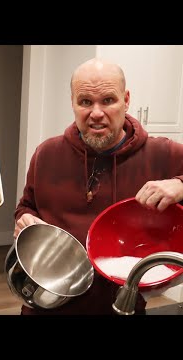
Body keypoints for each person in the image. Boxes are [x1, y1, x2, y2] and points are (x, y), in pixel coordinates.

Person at [14, 58, 183, 315]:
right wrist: (25, 218)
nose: (96, 113)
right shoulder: (46, 153)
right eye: (85, 102)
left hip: (120, 305)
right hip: (47, 301)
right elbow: (27, 206)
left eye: (108, 100)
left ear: (126, 100)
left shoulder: (162, 153)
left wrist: (180, 185)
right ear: (72, 102)